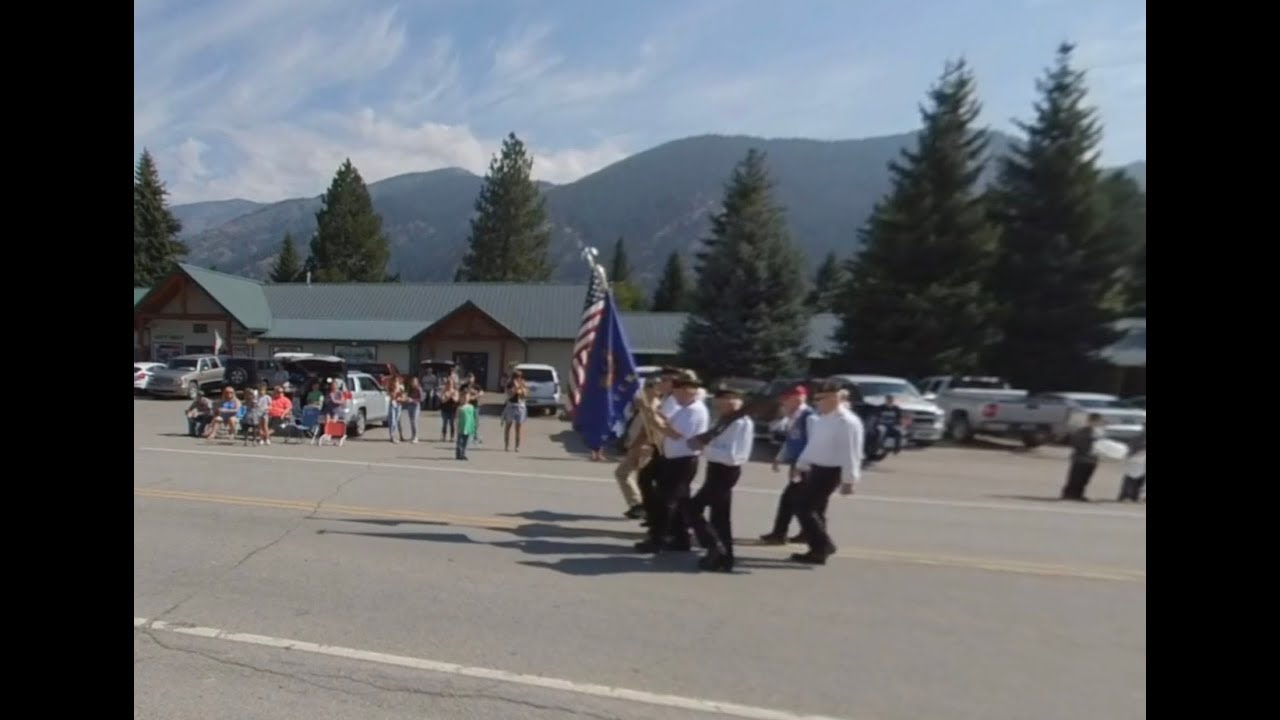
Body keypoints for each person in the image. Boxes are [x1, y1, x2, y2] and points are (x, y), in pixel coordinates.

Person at [790, 379, 864, 565]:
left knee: (804, 508)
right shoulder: (824, 418)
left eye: (821, 399)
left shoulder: (846, 422)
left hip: (832, 471)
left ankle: (823, 545)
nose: (818, 403)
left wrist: (849, 480)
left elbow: (852, 452)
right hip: (817, 468)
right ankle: (817, 550)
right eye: (817, 399)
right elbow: (815, 445)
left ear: (834, 399)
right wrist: (801, 465)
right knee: (816, 510)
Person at [635, 376, 709, 554]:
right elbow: (670, 423)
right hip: (675, 460)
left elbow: (676, 434)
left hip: (682, 462)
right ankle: (681, 539)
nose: (674, 396)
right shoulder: (685, 409)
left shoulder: (694, 411)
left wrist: (654, 423)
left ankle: (658, 540)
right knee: (678, 502)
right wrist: (652, 413)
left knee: (666, 502)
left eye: (677, 392)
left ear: (687, 392)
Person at [687, 385, 754, 572]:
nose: (723, 405)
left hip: (726, 471)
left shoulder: (742, 423)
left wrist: (703, 448)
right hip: (715, 469)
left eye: (729, 400)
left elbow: (734, 457)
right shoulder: (724, 421)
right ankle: (725, 558)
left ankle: (714, 546)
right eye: (720, 402)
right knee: (720, 517)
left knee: (692, 508)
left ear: (738, 402)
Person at [759, 385, 818, 545]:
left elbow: (814, 444)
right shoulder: (794, 417)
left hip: (805, 467)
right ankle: (804, 533)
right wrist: (780, 457)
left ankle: (780, 534)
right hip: (797, 464)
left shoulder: (809, 418)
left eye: (788, 400)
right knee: (797, 502)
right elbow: (790, 440)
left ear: (798, 400)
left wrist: (801, 467)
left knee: (790, 500)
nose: (784, 404)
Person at [613, 379, 663, 520]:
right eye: (646, 386)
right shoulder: (644, 404)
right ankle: (639, 504)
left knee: (639, 478)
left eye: (650, 386)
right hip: (635, 444)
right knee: (628, 475)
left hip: (644, 447)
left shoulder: (656, 407)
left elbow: (649, 431)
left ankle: (644, 506)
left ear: (657, 390)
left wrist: (636, 446)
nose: (646, 389)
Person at [1061, 413, 1105, 501]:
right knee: (1076, 477)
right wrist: (1087, 450)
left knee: (1085, 479)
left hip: (1092, 459)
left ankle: (1078, 494)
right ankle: (1069, 494)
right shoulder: (1082, 431)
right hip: (1081, 458)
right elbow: (1076, 443)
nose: (1100, 423)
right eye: (1098, 421)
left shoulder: (1099, 432)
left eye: (1100, 422)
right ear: (1091, 421)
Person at [1117, 426, 1147, 502]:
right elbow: (1131, 449)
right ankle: (1126, 496)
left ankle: (1132, 496)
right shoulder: (1138, 438)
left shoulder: (1138, 437)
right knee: (1131, 479)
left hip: (1140, 461)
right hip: (1136, 460)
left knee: (1138, 479)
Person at [502, 370, 528, 452]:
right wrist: (515, 388)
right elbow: (509, 395)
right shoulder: (509, 384)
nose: (519, 379)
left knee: (518, 428)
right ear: (513, 377)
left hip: (520, 407)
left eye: (520, 377)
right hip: (511, 406)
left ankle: (517, 446)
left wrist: (522, 388)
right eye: (517, 377)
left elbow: (525, 396)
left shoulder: (522, 384)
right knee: (508, 426)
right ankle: (507, 445)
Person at [455, 390, 477, 460]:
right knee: (460, 441)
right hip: (461, 427)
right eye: (463, 397)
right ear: (460, 398)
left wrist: (474, 424)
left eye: (466, 397)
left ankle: (463, 453)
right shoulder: (460, 408)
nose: (465, 399)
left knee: (466, 441)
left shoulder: (471, 407)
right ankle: (459, 454)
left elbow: (473, 417)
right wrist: (457, 425)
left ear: (469, 398)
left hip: (468, 426)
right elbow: (457, 417)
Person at [386, 375, 406, 443]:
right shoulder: (391, 387)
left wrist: (401, 398)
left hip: (399, 405)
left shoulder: (401, 387)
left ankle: (400, 436)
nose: (397, 382)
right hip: (393, 404)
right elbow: (392, 396)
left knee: (397, 420)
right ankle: (392, 436)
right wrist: (395, 392)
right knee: (393, 421)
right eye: (395, 381)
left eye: (397, 381)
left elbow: (403, 397)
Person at [404, 377, 424, 443]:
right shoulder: (410, 388)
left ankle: (416, 437)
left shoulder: (419, 389)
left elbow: (421, 399)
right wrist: (407, 398)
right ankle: (412, 436)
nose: (412, 383)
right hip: (410, 406)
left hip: (416, 406)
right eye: (412, 382)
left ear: (417, 382)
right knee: (411, 422)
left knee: (414, 421)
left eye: (414, 382)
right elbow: (408, 395)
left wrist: (413, 400)